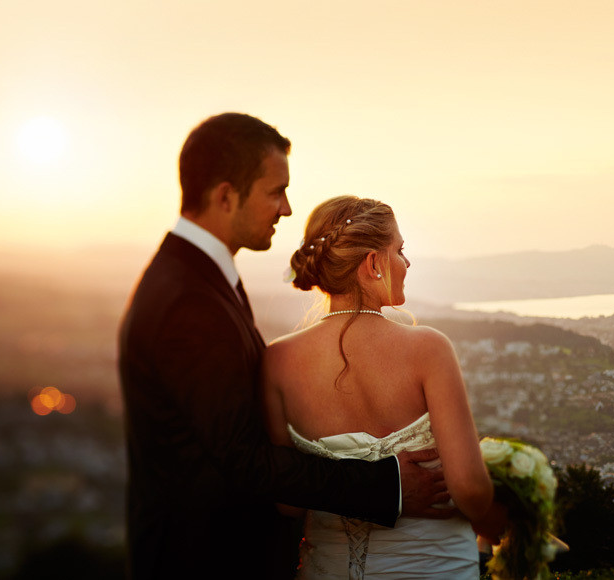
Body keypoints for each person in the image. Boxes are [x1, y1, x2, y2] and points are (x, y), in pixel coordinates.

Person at [117, 114, 449, 579]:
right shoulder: (187, 301)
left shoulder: (198, 278)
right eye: (276, 192)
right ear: (226, 195)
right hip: (205, 561)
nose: (287, 209)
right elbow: (244, 461)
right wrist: (387, 484)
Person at [261, 195, 501, 579]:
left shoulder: (275, 361)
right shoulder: (429, 349)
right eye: (400, 251)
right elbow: (470, 491)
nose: (407, 263)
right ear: (373, 263)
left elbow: (288, 503)